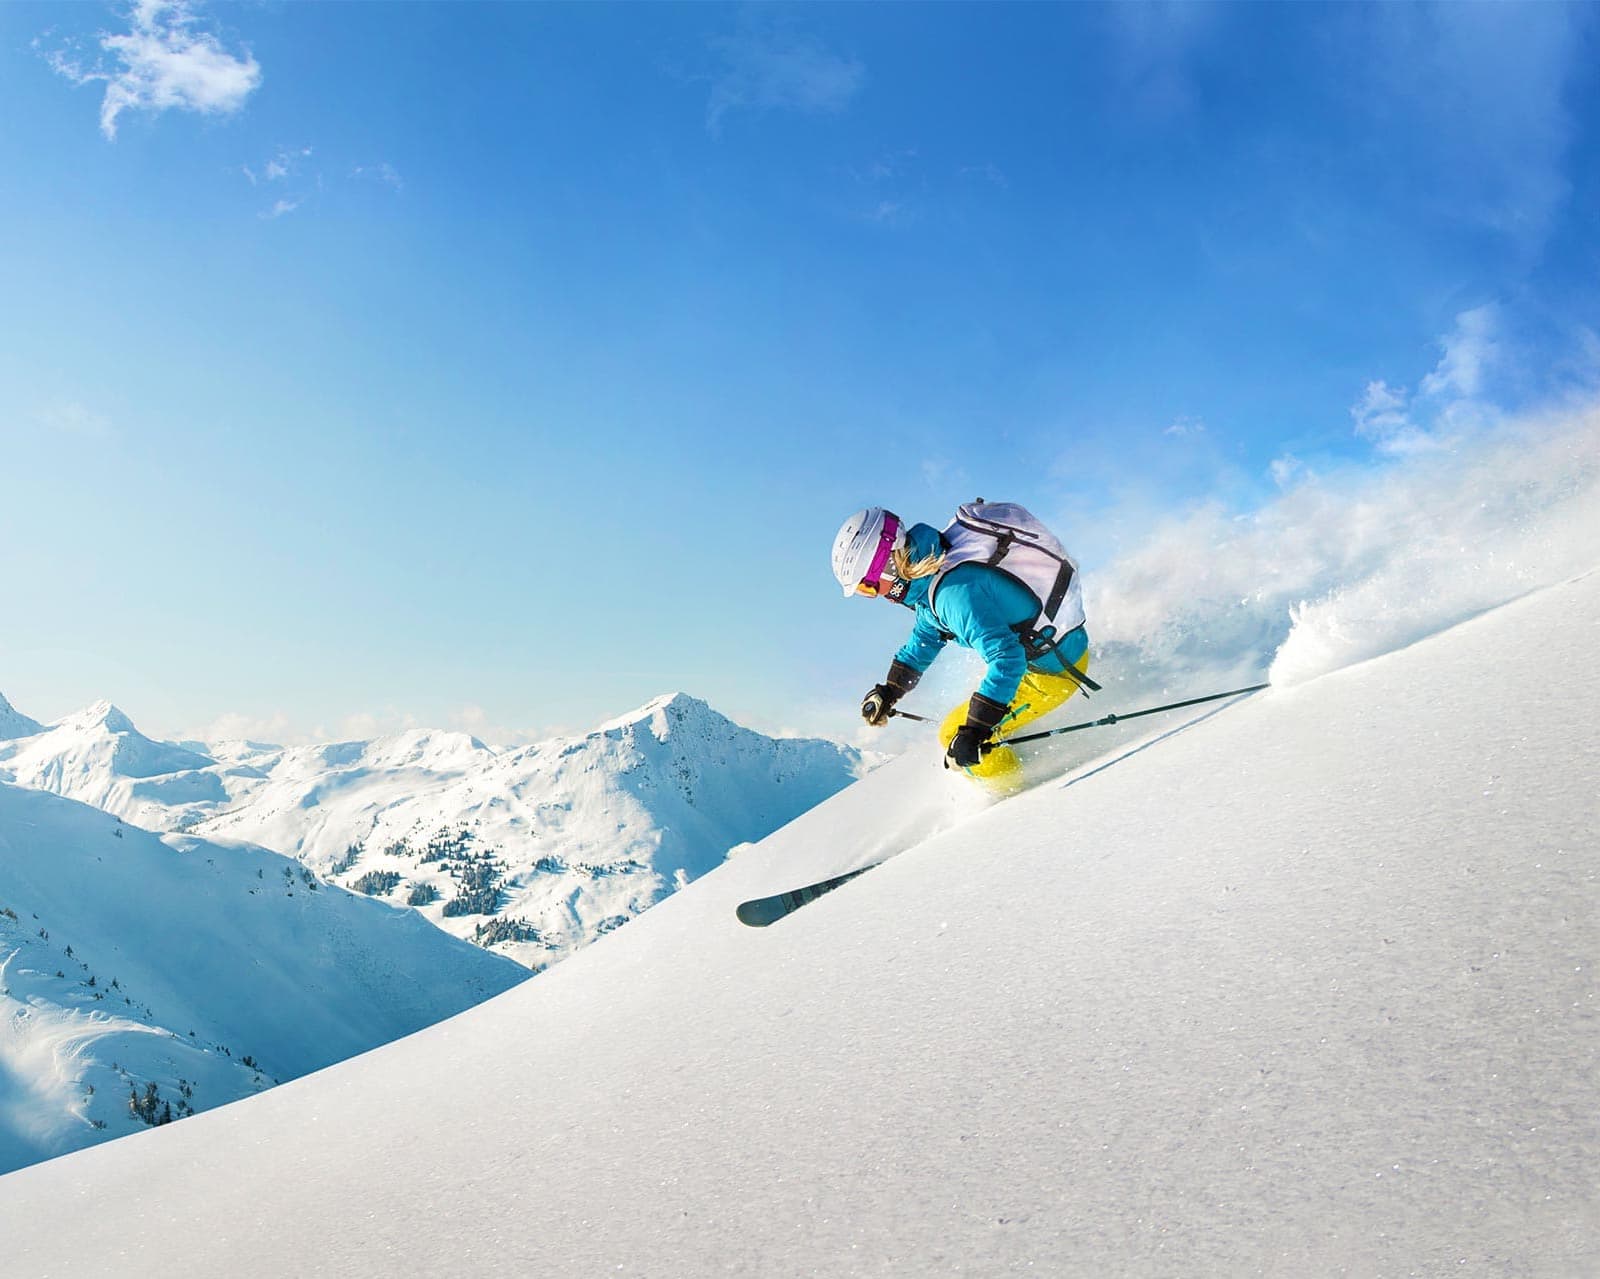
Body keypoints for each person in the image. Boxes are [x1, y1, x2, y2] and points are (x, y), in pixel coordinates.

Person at [831, 501, 1092, 793]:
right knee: (963, 729)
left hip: (1054, 675)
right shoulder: (935, 571)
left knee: (953, 735)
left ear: (888, 565)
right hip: (1054, 656)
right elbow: (926, 637)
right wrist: (890, 690)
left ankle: (1021, 799)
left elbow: (1007, 658)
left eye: (868, 587)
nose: (874, 595)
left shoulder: (953, 595)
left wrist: (977, 729)